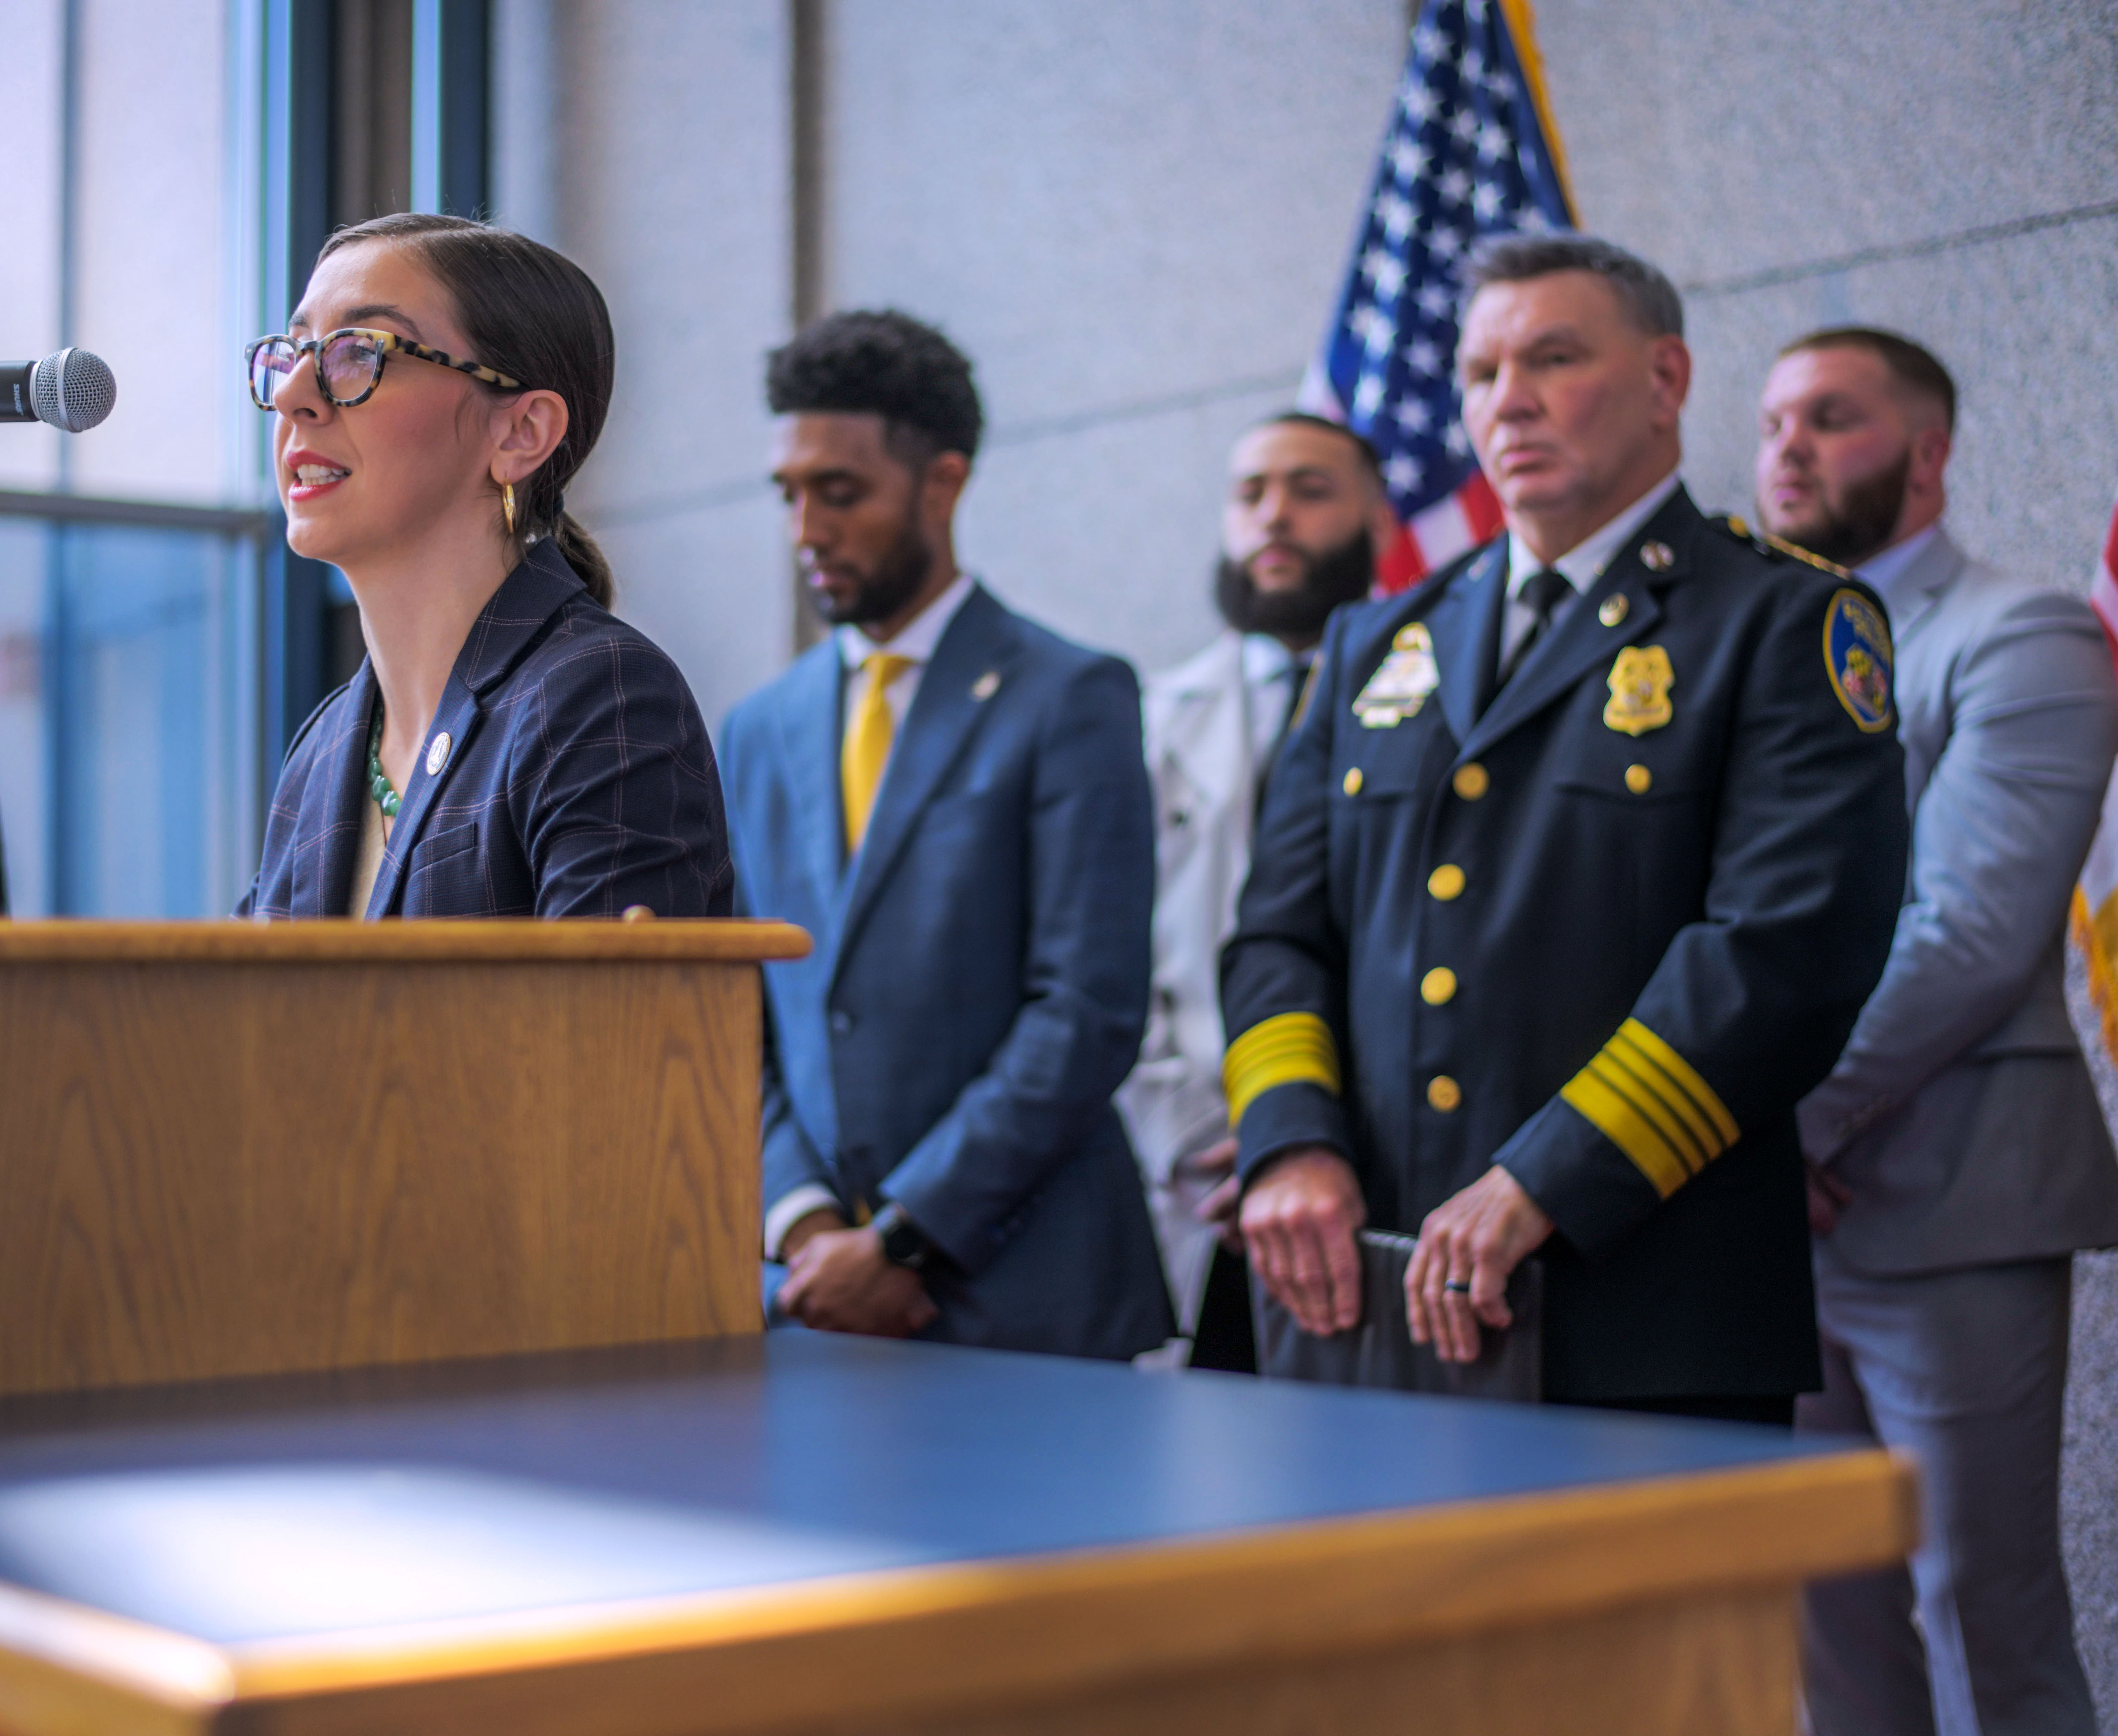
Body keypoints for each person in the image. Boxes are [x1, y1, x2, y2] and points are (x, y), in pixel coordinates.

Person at [1222, 234, 1910, 1421]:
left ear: (1666, 380)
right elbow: (1276, 933)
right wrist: (1289, 1142)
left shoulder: (1783, 617)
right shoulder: (1375, 640)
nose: (1510, 400)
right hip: (1376, 1287)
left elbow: (1786, 951)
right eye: (1482, 371)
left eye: (1553, 357)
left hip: (1637, 1295)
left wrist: (1546, 1178)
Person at [1756, 327, 2118, 1736]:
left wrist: (1770, 1123)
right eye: (1775, 419)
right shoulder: (1743, 649)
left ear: (1929, 451)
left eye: (1832, 419)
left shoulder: (2017, 631)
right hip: (1763, 1222)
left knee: (1982, 1609)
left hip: (1949, 1190)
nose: (1787, 446)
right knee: (1821, 1618)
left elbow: (1968, 928)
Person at [719, 309, 1172, 1359]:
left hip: (1028, 1303)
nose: (807, 531)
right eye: (789, 495)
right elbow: (737, 1012)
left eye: (841, 493)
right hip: (816, 1299)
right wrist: (805, 1226)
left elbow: (1088, 1011)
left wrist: (906, 1244)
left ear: (944, 484)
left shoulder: (1070, 697)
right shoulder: (757, 726)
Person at [238, 213, 731, 919]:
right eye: (293, 352)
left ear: (521, 433)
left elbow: (613, 1029)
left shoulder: (601, 694)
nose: (291, 395)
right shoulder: (323, 748)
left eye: (357, 352)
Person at [1115, 413, 1396, 1369]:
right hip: (1198, 1173)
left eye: (1311, 491)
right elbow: (1112, 958)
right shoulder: (1152, 721)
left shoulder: (1450, 707)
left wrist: (1307, 1130)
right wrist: (1215, 1133)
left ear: (1383, 523)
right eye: (1251, 494)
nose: (1275, 517)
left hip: (1374, 1163)